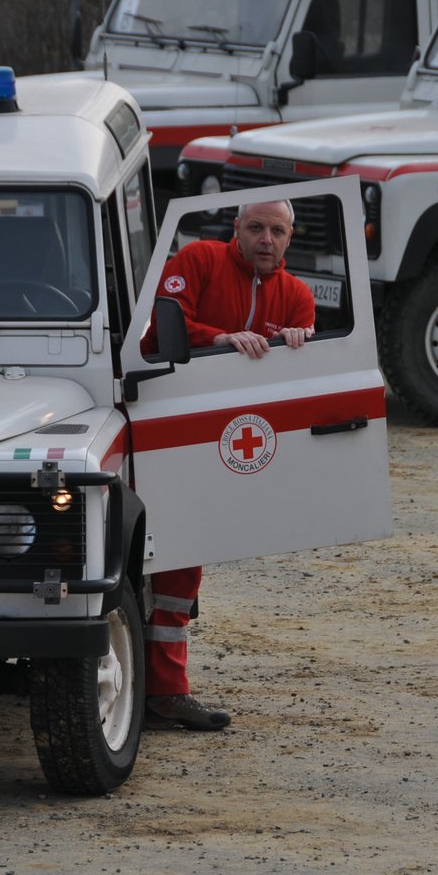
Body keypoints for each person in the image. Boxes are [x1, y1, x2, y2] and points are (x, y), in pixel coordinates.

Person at [142, 199, 316, 731]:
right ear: (235, 229)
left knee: (181, 567)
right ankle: (148, 688)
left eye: (277, 231)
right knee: (148, 558)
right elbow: (156, 332)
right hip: (166, 428)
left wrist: (297, 347)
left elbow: (303, 384)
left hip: (231, 445)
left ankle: (162, 692)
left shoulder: (298, 296)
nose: (266, 239)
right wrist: (216, 339)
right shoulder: (197, 259)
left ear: (290, 238)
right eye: (256, 228)